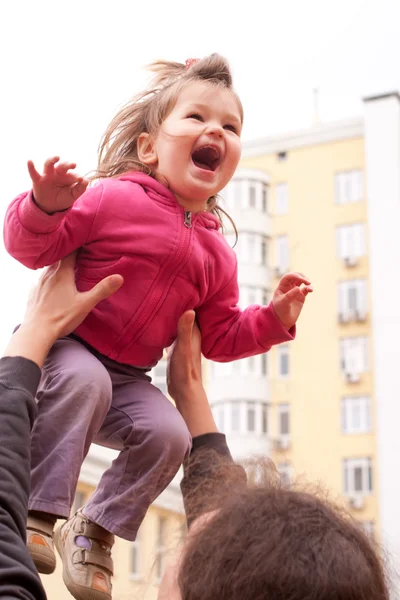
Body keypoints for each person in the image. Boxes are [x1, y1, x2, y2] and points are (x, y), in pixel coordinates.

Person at [3, 53, 312, 600]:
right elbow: (32, 248)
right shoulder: (110, 197)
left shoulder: (219, 256)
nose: (214, 130)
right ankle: (35, 510)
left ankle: (94, 529)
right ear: (149, 147)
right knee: (86, 381)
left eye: (231, 126)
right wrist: (44, 208)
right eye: (196, 118)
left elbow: (216, 337)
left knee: (170, 434)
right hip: (68, 350)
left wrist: (271, 322)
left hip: (129, 379)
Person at [0, 255, 389, 600]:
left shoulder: (212, 253)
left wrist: (34, 332)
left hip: (87, 365)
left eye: (195, 549)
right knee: (172, 435)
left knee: (93, 384)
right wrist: (192, 392)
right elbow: (233, 539)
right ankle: (82, 520)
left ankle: (46, 511)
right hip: (92, 363)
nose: (201, 538)